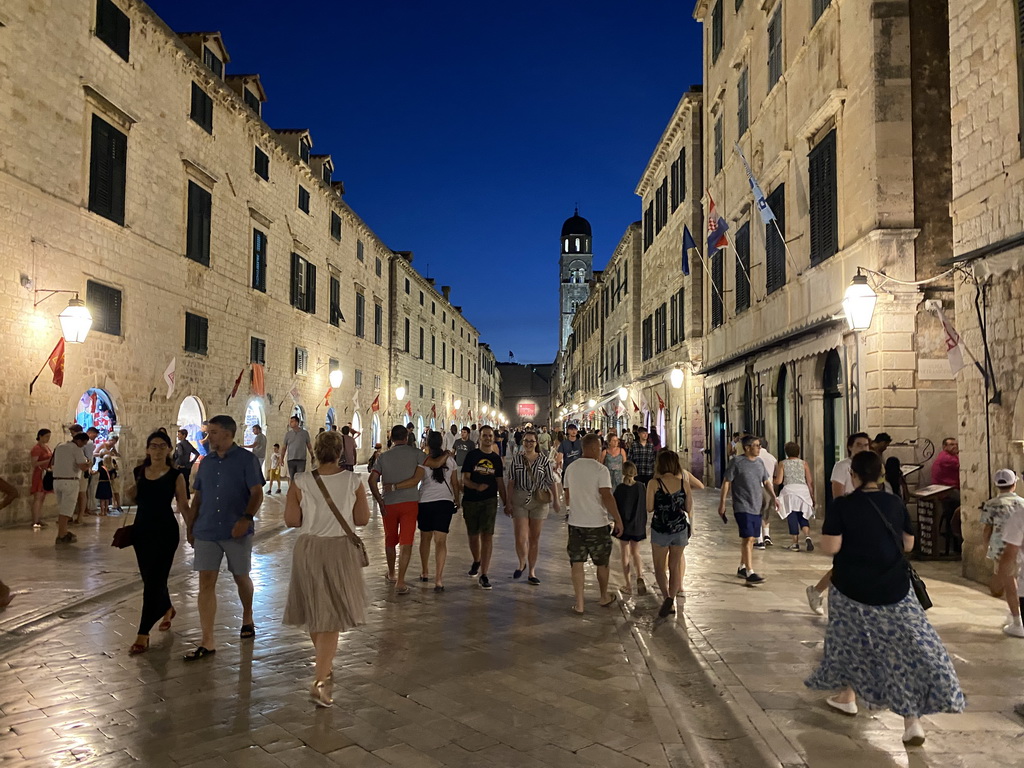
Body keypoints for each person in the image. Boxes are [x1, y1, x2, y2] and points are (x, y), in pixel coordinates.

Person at [805, 450, 964, 746]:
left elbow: (831, 546)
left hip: (851, 588)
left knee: (853, 644)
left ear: (852, 475)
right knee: (903, 650)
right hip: (894, 588)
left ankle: (848, 697)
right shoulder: (894, 502)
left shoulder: (842, 505)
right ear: (880, 475)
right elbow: (908, 543)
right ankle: (910, 721)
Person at [283, 430, 369, 706]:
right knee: (330, 615)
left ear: (315, 453)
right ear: (340, 453)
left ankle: (324, 666)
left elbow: (291, 520)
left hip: (308, 548)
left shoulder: (301, 481)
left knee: (315, 609)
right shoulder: (354, 481)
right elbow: (363, 519)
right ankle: (320, 681)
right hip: (339, 550)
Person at [183, 415, 265, 661]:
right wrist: (190, 526)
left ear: (228, 434)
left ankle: (248, 615)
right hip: (207, 529)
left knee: (241, 577)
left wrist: (246, 518)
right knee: (205, 582)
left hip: (235, 529)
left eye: (214, 433)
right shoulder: (206, 463)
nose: (209, 438)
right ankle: (207, 640)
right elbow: (198, 497)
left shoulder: (246, 460)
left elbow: (257, 493)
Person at [126, 431, 189, 655]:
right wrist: (132, 493)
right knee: (150, 579)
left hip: (165, 532)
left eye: (163, 446)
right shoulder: (139, 472)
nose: (158, 450)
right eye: (154, 446)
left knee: (154, 581)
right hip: (141, 532)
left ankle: (143, 633)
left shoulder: (175, 476)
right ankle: (167, 607)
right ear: (147, 449)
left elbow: (183, 504)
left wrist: (191, 529)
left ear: (169, 449)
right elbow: (136, 499)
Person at [806, 432, 872, 615]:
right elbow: (838, 495)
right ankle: (818, 591)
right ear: (850, 447)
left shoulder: (872, 466)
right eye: (859, 445)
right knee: (846, 564)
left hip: (868, 520)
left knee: (856, 563)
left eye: (866, 445)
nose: (863, 448)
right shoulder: (842, 467)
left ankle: (820, 591)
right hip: (851, 520)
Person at [564, 434, 624, 613]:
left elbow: (567, 496)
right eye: (599, 447)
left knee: (577, 563)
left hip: (576, 522)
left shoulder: (571, 468)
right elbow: (606, 495)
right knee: (602, 563)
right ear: (591, 448)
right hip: (597, 523)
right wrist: (618, 519)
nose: (600, 450)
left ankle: (580, 603)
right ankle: (604, 596)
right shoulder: (600, 470)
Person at [368, 425, 422, 594]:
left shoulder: (383, 457)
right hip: (410, 503)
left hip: (389, 504)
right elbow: (432, 462)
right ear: (406, 438)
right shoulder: (416, 454)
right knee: (407, 541)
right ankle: (401, 581)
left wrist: (379, 500)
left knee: (390, 540)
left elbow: (371, 480)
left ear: (391, 439)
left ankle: (391, 573)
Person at [717, 435, 778, 585]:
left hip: (756, 505)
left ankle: (742, 567)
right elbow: (727, 482)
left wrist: (774, 497)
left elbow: (766, 481)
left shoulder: (760, 463)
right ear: (747, 447)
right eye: (756, 445)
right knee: (748, 537)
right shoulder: (737, 462)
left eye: (759, 445)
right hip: (741, 505)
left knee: (751, 537)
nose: (759, 448)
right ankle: (750, 571)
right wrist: (722, 502)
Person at [407, 431, 460, 591]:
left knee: (425, 538)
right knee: (441, 541)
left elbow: (417, 480)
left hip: (426, 502)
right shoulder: (450, 461)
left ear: (428, 444)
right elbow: (455, 483)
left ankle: (424, 571)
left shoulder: (424, 460)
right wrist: (457, 500)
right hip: (444, 502)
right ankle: (438, 579)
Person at [460, 425, 508, 590]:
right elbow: (464, 479)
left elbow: (500, 482)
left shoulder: (496, 459)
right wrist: (475, 486)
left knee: (487, 536)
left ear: (493, 438)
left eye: (490, 436)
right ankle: (476, 560)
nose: (488, 438)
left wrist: (506, 502)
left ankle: (484, 574)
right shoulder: (471, 456)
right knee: (473, 535)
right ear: (479, 438)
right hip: (471, 500)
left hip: (489, 501)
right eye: (485, 436)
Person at [508, 431, 558, 584]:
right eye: (526, 441)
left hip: (539, 500)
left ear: (537, 443)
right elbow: (510, 482)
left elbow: (550, 480)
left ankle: (531, 571)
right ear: (523, 442)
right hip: (520, 498)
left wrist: (556, 500)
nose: (529, 443)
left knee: (534, 538)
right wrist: (508, 502)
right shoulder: (516, 460)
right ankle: (522, 562)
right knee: (521, 537)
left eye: (532, 441)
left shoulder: (543, 460)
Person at [647, 450, 692, 617]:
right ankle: (671, 598)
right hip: (679, 529)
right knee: (675, 567)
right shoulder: (683, 484)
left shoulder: (654, 483)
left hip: (660, 529)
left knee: (660, 568)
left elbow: (649, 508)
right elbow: (688, 508)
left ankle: (666, 597)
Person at [981, 469, 1024, 602]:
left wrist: (985, 545)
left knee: (1005, 577)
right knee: (1016, 576)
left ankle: (1014, 611)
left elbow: (988, 527)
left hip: (999, 545)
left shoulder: (991, 504)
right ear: (1014, 484)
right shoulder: (1022, 503)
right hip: (1018, 543)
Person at [614, 461, 648, 596]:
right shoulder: (641, 487)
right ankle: (640, 576)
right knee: (636, 552)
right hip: (638, 524)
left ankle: (628, 585)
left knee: (625, 554)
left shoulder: (620, 489)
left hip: (624, 524)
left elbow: (615, 506)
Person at [774, 442, 815, 551]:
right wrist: (812, 495)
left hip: (790, 491)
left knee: (791, 515)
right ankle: (807, 536)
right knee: (803, 516)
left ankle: (795, 543)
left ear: (786, 452)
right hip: (803, 491)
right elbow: (810, 481)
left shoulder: (782, 463)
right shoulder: (804, 463)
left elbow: (779, 481)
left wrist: (770, 480)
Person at [52, 431, 90, 544]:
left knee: (63, 508)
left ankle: (63, 531)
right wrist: (89, 464)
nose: (83, 446)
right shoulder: (76, 449)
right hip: (70, 481)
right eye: (83, 443)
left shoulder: (59, 446)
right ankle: (62, 535)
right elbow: (83, 467)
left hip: (57, 481)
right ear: (78, 441)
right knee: (66, 510)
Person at [755, 440, 779, 549]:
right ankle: (767, 535)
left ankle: (759, 540)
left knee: (756, 513)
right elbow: (775, 476)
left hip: (756, 487)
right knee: (766, 512)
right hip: (769, 488)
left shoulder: (755, 458)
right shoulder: (772, 458)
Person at [30, 428, 53, 528]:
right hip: (40, 474)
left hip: (46, 473)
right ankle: (35, 521)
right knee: (38, 497)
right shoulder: (37, 448)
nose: (48, 438)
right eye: (46, 436)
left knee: (42, 498)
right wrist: (47, 460)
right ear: (40, 436)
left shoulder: (46, 447)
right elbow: (34, 463)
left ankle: (38, 518)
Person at [172, 429, 201, 500]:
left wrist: (177, 461)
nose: (178, 436)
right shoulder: (188, 445)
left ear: (184, 435)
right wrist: (191, 463)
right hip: (187, 467)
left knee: (178, 484)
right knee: (186, 483)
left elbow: (180, 454)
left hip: (180, 466)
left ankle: (180, 501)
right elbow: (197, 453)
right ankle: (187, 499)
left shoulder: (179, 445)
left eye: (179, 434)